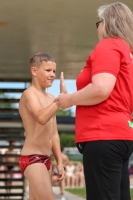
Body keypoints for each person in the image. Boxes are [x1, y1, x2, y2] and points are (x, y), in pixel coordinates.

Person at [56, 2, 133, 200]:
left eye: (98, 23)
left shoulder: (108, 46)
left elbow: (100, 88)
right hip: (122, 136)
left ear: (107, 23)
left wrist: (68, 100)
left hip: (102, 135)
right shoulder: (128, 53)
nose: (98, 28)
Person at [18, 52, 64, 200]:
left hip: (46, 159)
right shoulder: (29, 94)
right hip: (33, 158)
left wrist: (59, 161)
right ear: (34, 71)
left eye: (54, 71)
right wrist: (60, 100)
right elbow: (41, 118)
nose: (52, 75)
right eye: (48, 70)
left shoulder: (50, 98)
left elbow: (54, 133)